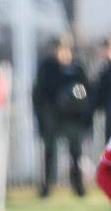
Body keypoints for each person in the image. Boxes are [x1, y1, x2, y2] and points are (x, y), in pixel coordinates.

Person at [32, 36, 91, 197]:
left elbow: (87, 90)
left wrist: (78, 104)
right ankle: (47, 186)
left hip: (72, 117)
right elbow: (39, 93)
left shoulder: (77, 67)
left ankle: (78, 185)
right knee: (50, 152)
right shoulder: (47, 67)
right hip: (53, 116)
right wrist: (43, 114)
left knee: (76, 153)